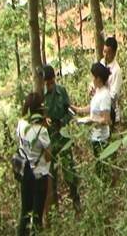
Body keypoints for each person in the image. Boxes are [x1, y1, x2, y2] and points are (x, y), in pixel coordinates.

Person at [43, 64, 80, 208]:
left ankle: (75, 198)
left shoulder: (62, 91)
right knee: (51, 173)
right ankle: (54, 206)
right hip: (49, 140)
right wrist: (45, 120)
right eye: (48, 84)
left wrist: (62, 121)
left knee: (69, 168)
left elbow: (70, 111)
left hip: (63, 137)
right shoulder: (41, 95)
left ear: (55, 79)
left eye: (52, 83)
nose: (50, 86)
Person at [16, 92, 51, 236]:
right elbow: (48, 157)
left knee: (25, 212)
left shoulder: (21, 124)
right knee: (37, 216)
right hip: (39, 175)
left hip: (24, 173)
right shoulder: (42, 131)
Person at [74, 62, 112, 181]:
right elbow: (94, 108)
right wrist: (79, 110)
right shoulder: (98, 92)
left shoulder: (104, 95)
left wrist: (93, 121)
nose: (92, 80)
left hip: (101, 139)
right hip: (95, 137)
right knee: (98, 168)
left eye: (93, 77)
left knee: (102, 170)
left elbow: (106, 119)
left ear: (98, 79)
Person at [89, 35, 123, 124]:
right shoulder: (102, 63)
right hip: (99, 110)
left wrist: (100, 95)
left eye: (108, 53)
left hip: (111, 111)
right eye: (104, 51)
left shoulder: (116, 71)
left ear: (114, 53)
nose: (105, 55)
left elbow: (114, 95)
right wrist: (92, 88)